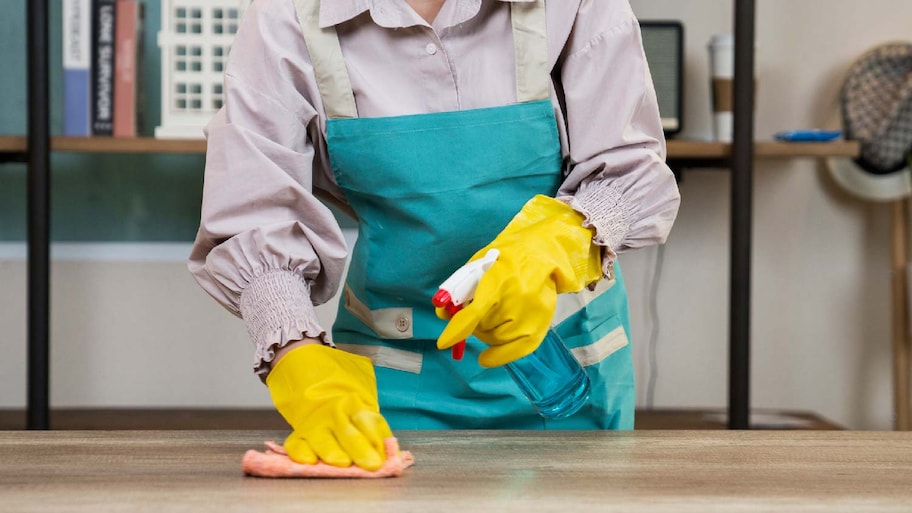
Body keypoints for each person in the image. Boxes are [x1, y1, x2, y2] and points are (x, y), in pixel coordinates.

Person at [189, 0, 680, 472]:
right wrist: (292, 348)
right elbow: (256, 209)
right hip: (393, 374)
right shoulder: (287, 15)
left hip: (567, 363)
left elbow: (629, 171)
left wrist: (562, 242)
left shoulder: (572, 4)